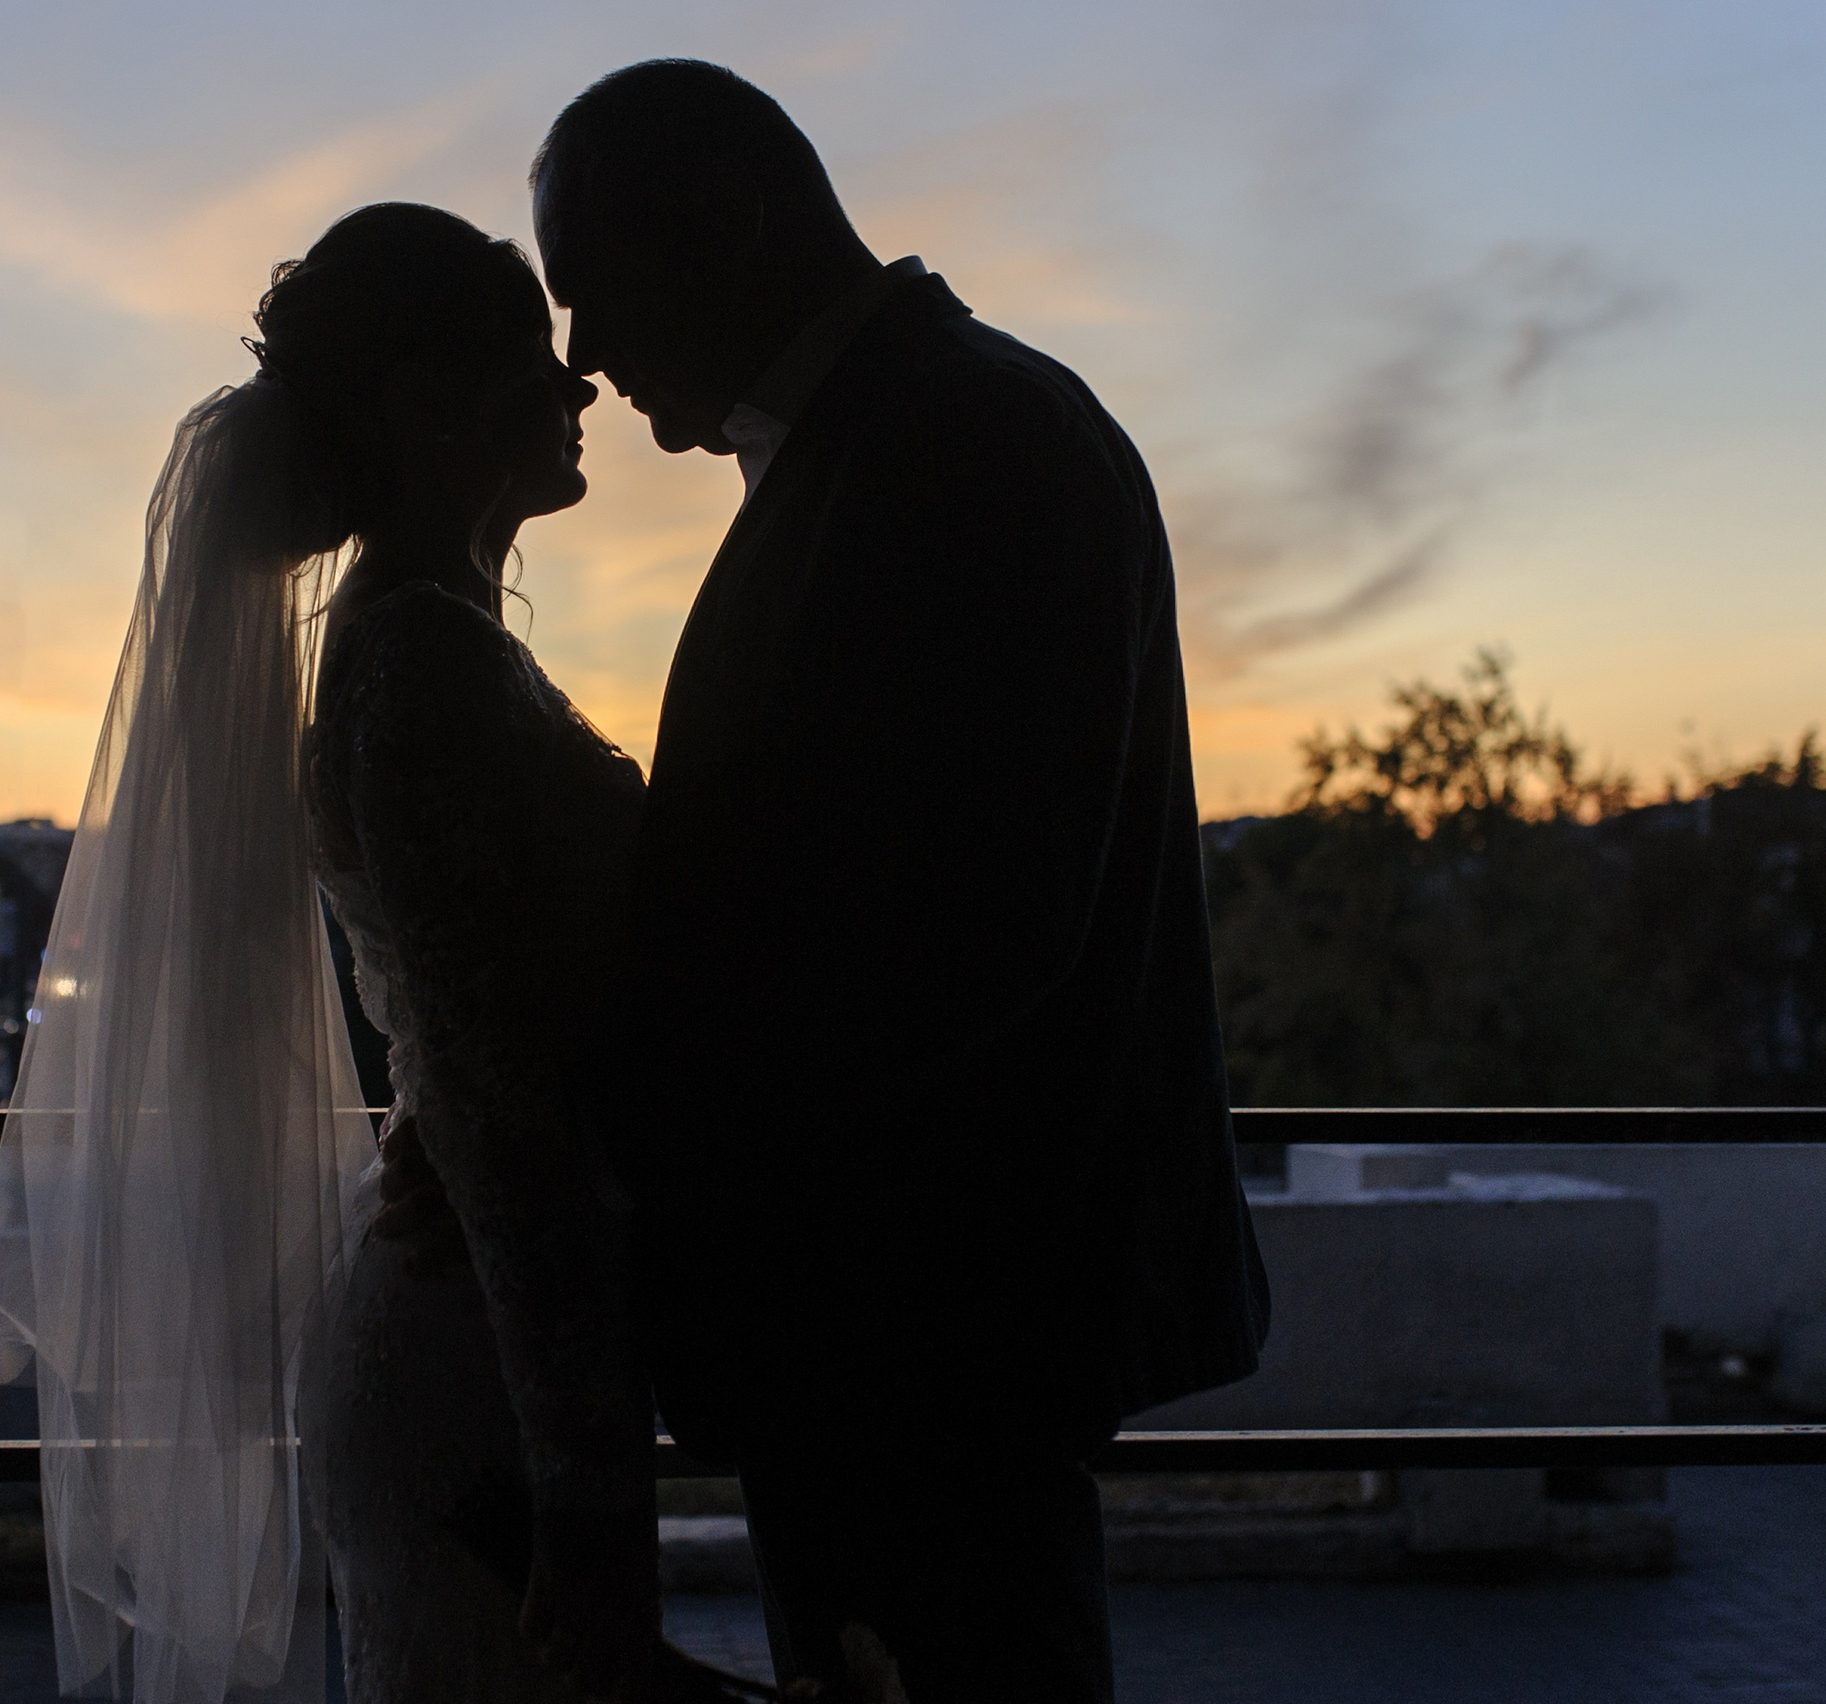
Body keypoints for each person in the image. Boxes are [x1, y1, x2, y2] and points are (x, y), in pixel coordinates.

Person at [510, 60, 1270, 1702]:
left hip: (928, 1330)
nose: (582, 356)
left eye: (596, 292)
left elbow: (971, 920)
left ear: (726, 222)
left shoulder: (968, 444)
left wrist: (632, 1105)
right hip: (903, 1327)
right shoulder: (913, 436)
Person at [0, 203, 760, 1704]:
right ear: (422, 402)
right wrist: (593, 1506)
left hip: (463, 1334)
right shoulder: (420, 673)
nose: (578, 387)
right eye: (531, 359)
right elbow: (506, 1119)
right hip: (472, 1378)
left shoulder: (436, 649)